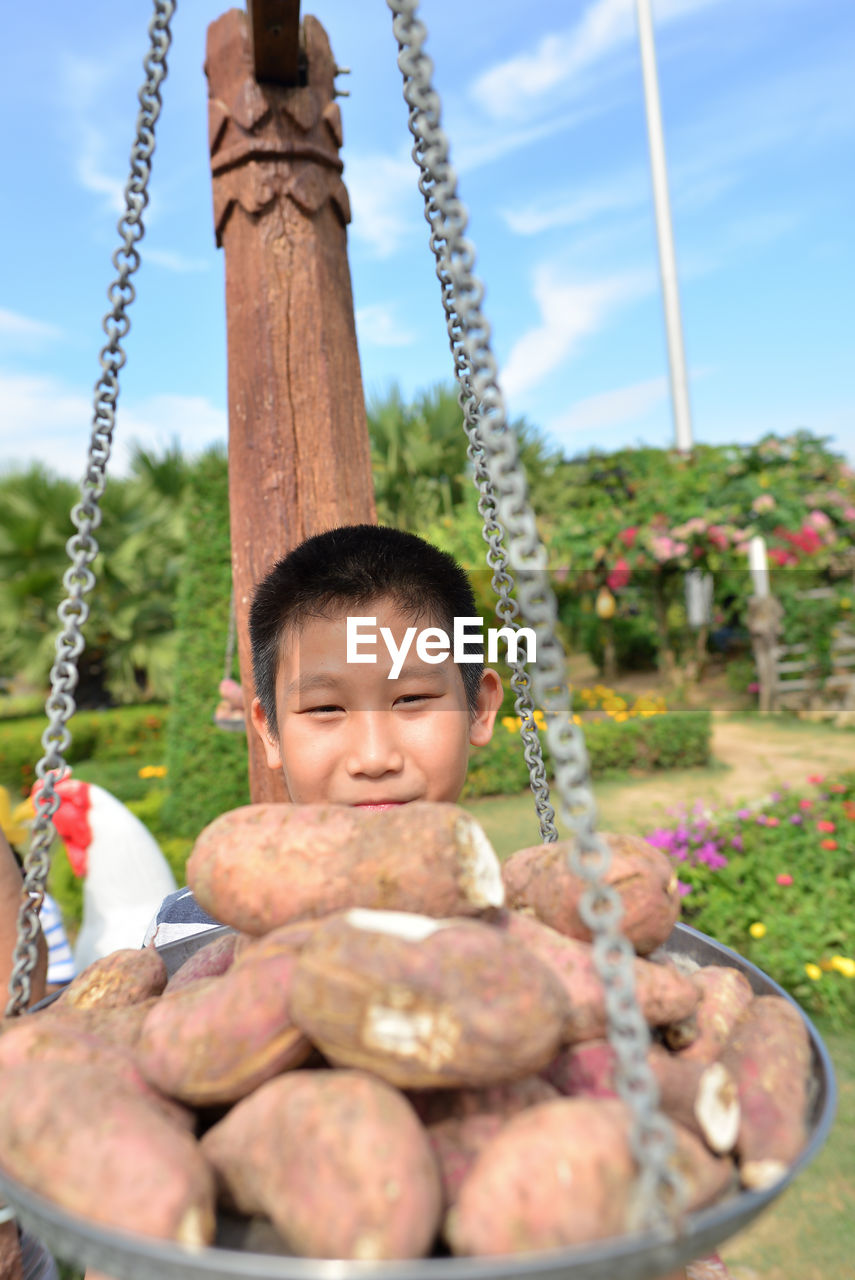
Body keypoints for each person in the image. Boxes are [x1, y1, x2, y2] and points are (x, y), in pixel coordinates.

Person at [146, 523, 504, 947]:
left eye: (410, 699)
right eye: (325, 708)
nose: (373, 759)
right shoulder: (185, 930)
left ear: (477, 709)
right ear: (271, 732)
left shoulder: (515, 916)